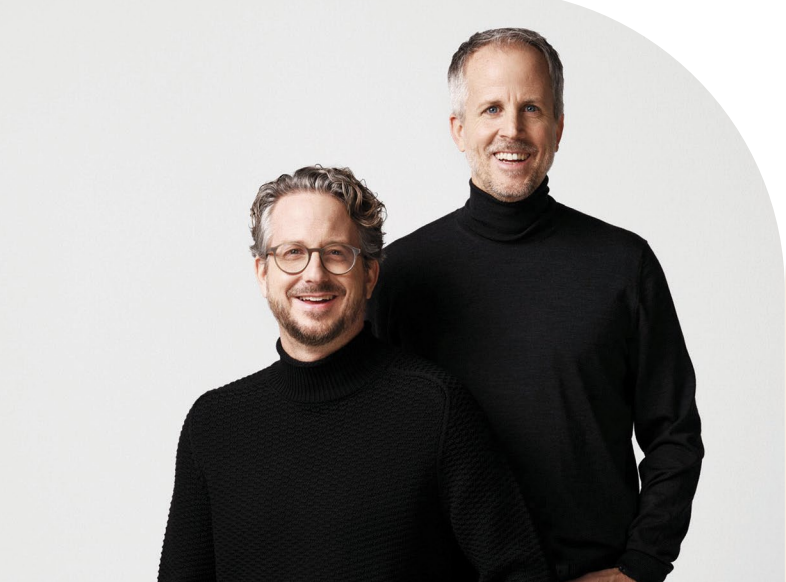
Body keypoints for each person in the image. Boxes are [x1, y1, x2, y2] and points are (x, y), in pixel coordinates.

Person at [368, 29, 703, 582]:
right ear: (458, 129)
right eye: (491, 108)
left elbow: (675, 435)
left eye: (532, 108)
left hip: (590, 570)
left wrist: (641, 566)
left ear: (559, 127)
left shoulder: (624, 265)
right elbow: (363, 444)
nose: (512, 130)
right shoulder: (400, 275)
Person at [158, 165, 553, 581]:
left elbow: (519, 572)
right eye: (292, 253)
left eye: (336, 253)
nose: (314, 274)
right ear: (262, 273)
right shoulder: (214, 424)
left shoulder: (435, 409)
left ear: (369, 275)